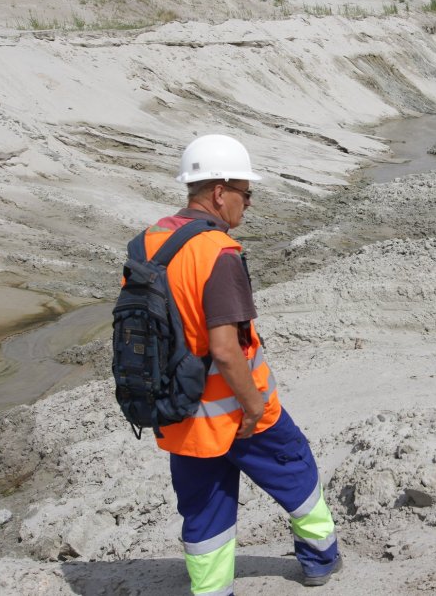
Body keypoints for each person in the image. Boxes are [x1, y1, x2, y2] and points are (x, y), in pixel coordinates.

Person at [137, 134, 342, 593]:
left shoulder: (148, 243)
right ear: (219, 192)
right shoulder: (218, 253)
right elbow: (226, 349)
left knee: (204, 512)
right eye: (245, 194)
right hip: (239, 413)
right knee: (297, 472)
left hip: (179, 413)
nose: (247, 204)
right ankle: (320, 560)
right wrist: (253, 405)